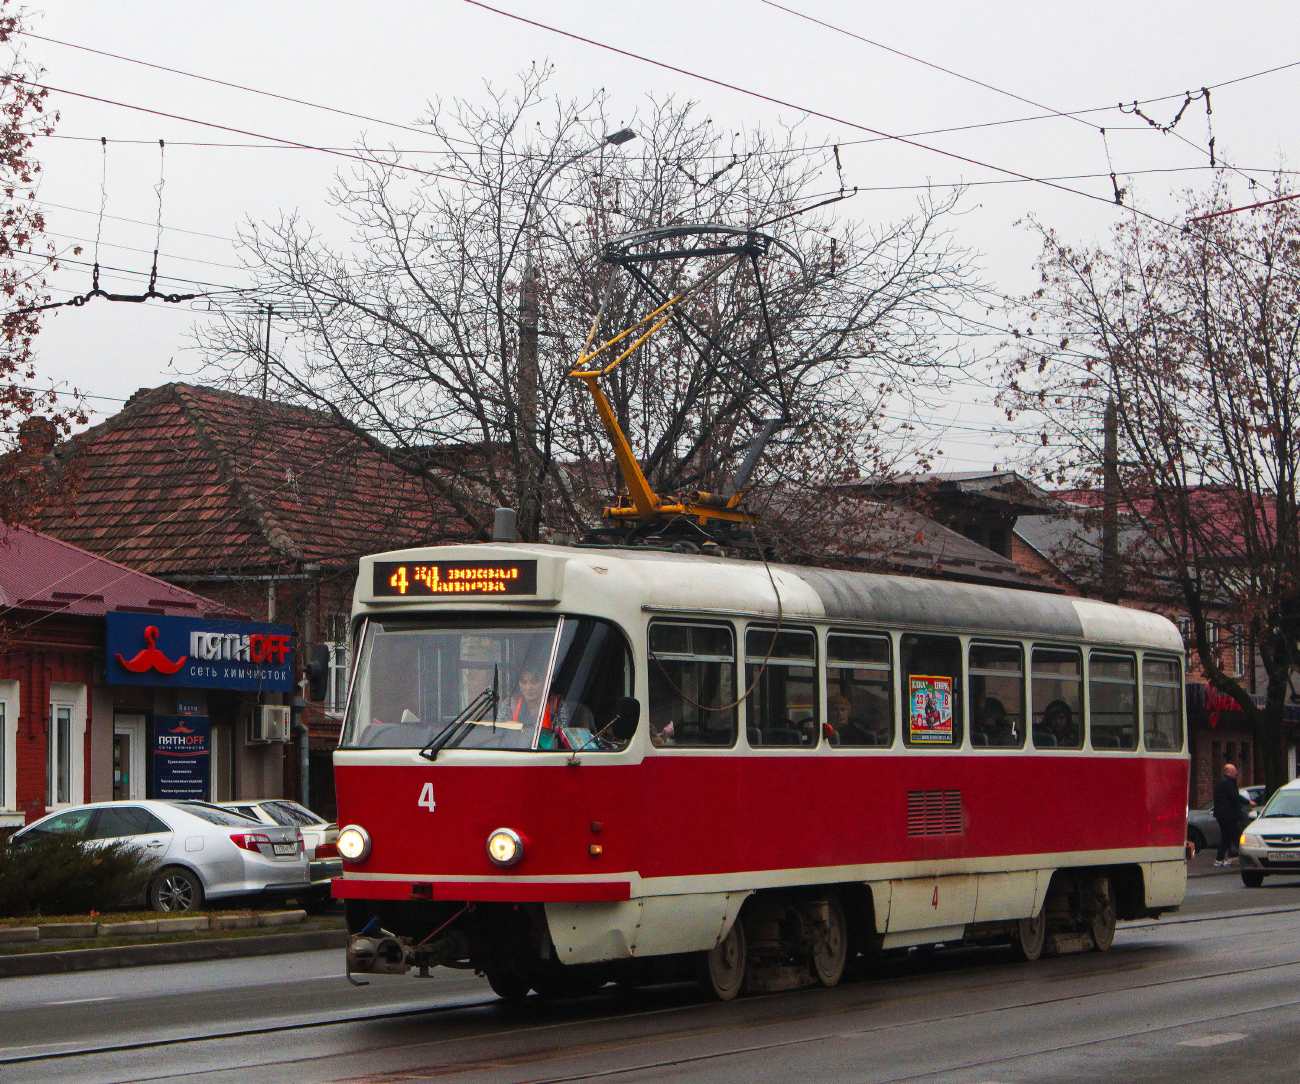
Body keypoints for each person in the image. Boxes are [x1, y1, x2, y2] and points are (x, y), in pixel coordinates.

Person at [504, 667, 593, 750]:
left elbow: (558, 740)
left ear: (545, 682)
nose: (528, 687)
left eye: (534, 682)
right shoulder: (510, 703)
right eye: (524, 682)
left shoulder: (557, 705)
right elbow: (500, 734)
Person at [1213, 763, 1251, 866]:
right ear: (1227, 772)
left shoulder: (1221, 782)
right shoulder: (1229, 782)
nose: (1236, 772)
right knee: (1237, 835)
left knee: (1226, 836)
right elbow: (1234, 796)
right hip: (1229, 815)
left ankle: (1220, 859)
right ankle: (1247, 858)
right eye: (1233, 771)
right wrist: (1248, 802)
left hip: (1222, 814)